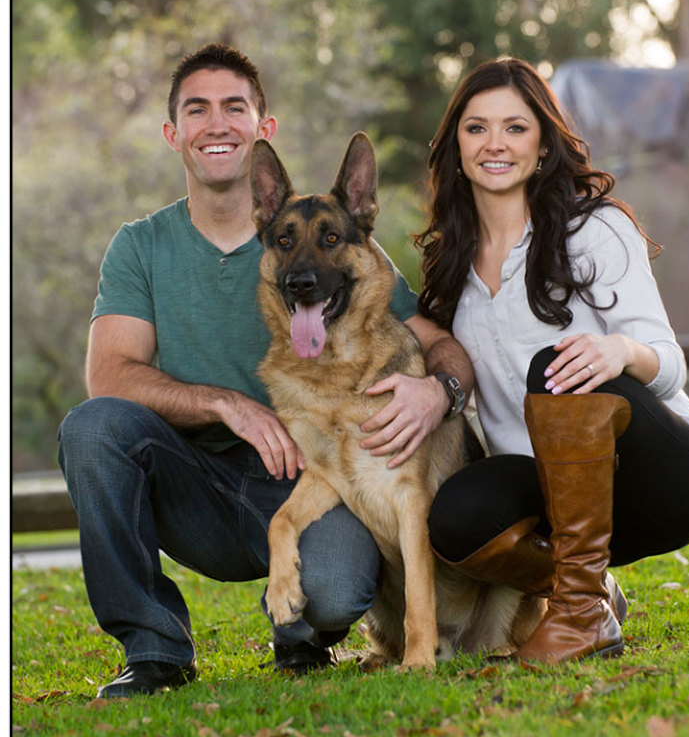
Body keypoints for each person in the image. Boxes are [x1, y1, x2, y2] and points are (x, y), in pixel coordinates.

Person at [57, 45, 455, 699]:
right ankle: (154, 650)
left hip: (308, 477)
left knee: (334, 592)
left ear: (262, 129)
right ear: (174, 134)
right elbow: (109, 376)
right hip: (196, 482)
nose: (217, 124)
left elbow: (435, 340)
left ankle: (301, 638)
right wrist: (227, 405)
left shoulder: (338, 241)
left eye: (234, 107)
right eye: (197, 110)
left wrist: (440, 390)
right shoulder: (142, 245)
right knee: (93, 427)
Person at [419, 56, 689, 664]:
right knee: (455, 517)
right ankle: (589, 593)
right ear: (456, 146)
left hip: (660, 478)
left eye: (515, 127)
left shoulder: (595, 229)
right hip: (552, 498)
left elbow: (668, 361)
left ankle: (580, 618)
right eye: (476, 128)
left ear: (543, 143)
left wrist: (618, 350)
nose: (495, 144)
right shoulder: (449, 268)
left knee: (556, 366)